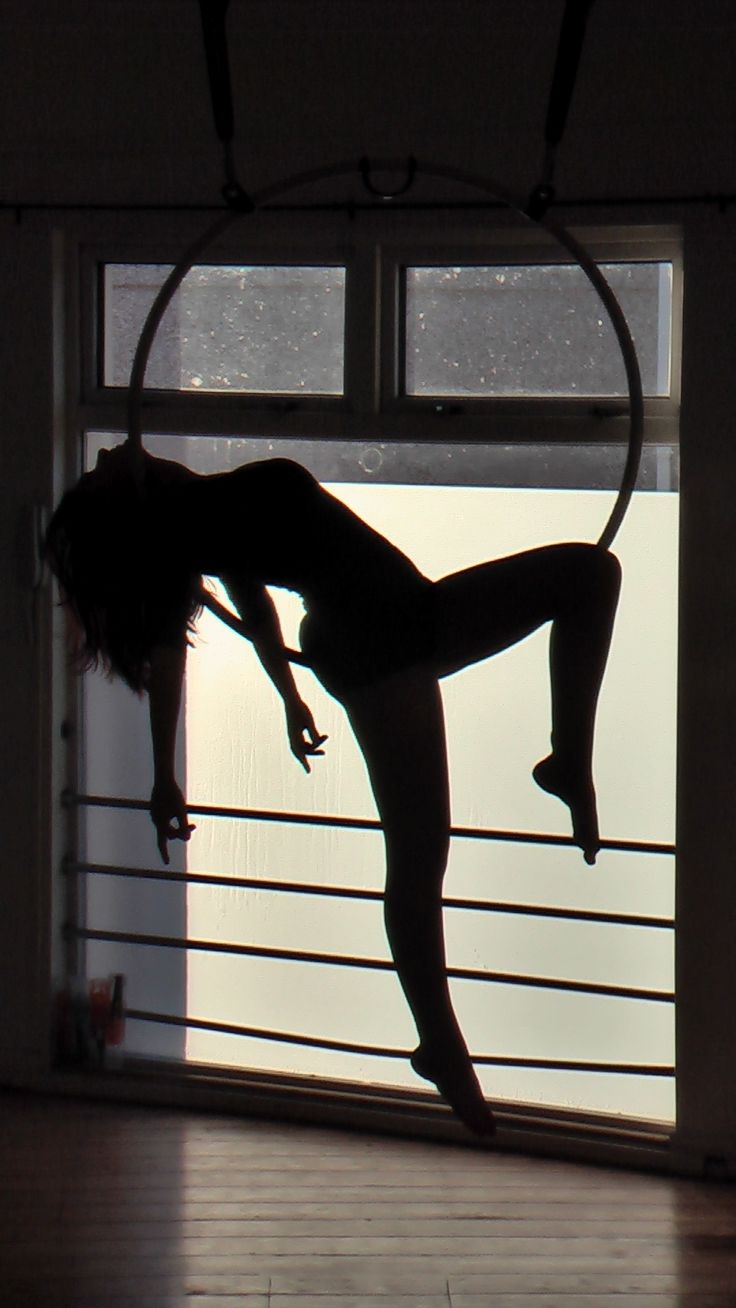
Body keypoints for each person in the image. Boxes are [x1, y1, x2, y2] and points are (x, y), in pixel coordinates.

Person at [45, 442, 622, 1138]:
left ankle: (569, 764)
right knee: (418, 853)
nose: (107, 448)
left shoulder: (208, 508)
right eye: (97, 470)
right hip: (379, 638)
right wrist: (163, 774)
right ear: (128, 501)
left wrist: (289, 697)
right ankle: (440, 1043)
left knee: (590, 576)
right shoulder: (186, 526)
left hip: (404, 619)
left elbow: (253, 605)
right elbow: (172, 656)